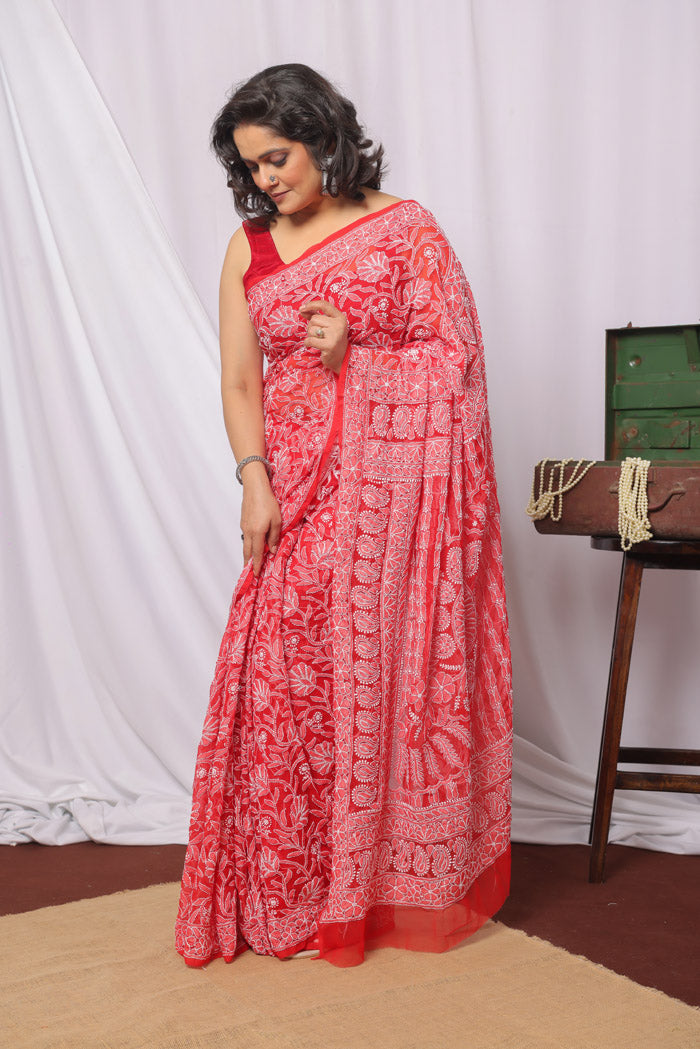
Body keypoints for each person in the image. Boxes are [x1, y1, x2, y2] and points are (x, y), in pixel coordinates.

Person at [175, 63, 512, 969]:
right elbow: (239, 381)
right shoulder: (252, 246)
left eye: (276, 158)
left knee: (365, 691)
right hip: (293, 495)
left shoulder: (407, 233)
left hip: (388, 515)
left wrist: (358, 354)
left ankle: (360, 889)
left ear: (323, 135)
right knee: (286, 687)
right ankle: (287, 890)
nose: (265, 181)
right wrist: (254, 480)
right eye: (249, 167)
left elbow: (460, 370)